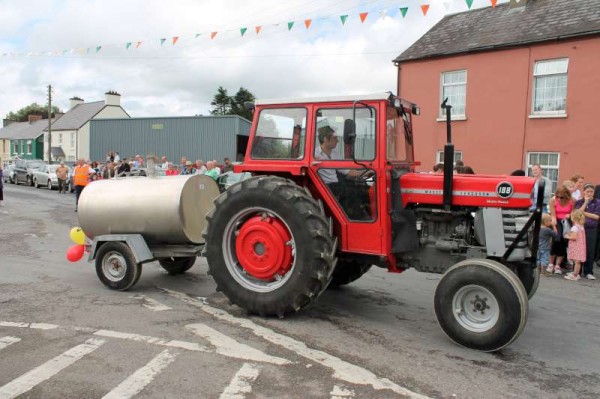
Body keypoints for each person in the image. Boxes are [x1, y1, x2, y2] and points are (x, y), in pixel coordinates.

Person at [574, 183, 600, 280]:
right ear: (583, 191)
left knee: (590, 250)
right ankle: (577, 271)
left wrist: (582, 213)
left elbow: (596, 217)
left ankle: (588, 271)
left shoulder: (597, 202)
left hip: (591, 229)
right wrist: (585, 203)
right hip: (580, 229)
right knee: (579, 250)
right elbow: (576, 215)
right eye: (587, 191)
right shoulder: (579, 202)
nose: (589, 193)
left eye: (591, 192)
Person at [547, 185, 574, 274]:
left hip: (566, 222)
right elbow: (553, 214)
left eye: (561, 197)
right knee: (556, 240)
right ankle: (551, 263)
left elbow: (573, 213)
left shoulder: (572, 200)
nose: (559, 198)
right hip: (557, 221)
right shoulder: (553, 200)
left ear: (566, 195)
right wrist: (554, 224)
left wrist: (570, 215)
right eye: (557, 196)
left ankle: (558, 265)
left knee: (563, 242)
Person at [564, 210, 586, 281]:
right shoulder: (581, 226)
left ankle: (575, 275)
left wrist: (567, 236)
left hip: (576, 246)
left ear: (573, 217)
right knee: (578, 261)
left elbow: (574, 237)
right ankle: (576, 273)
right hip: (581, 246)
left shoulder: (575, 227)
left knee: (576, 261)